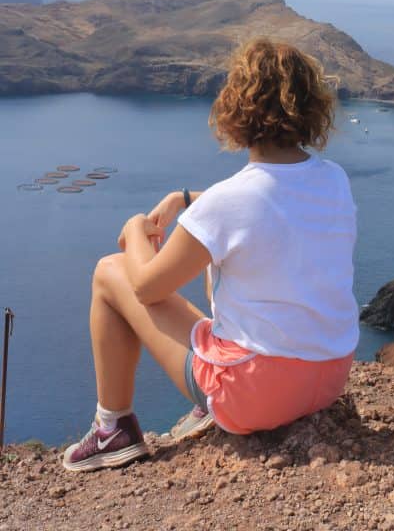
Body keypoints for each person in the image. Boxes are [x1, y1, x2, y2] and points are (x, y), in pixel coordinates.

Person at [62, 38, 359, 472]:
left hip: (256, 397)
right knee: (228, 257)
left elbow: (146, 287)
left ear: (237, 107)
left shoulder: (230, 202)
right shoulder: (333, 180)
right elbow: (271, 211)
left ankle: (113, 428)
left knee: (110, 272)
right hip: (327, 379)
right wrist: (186, 200)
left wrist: (133, 228)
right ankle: (202, 402)